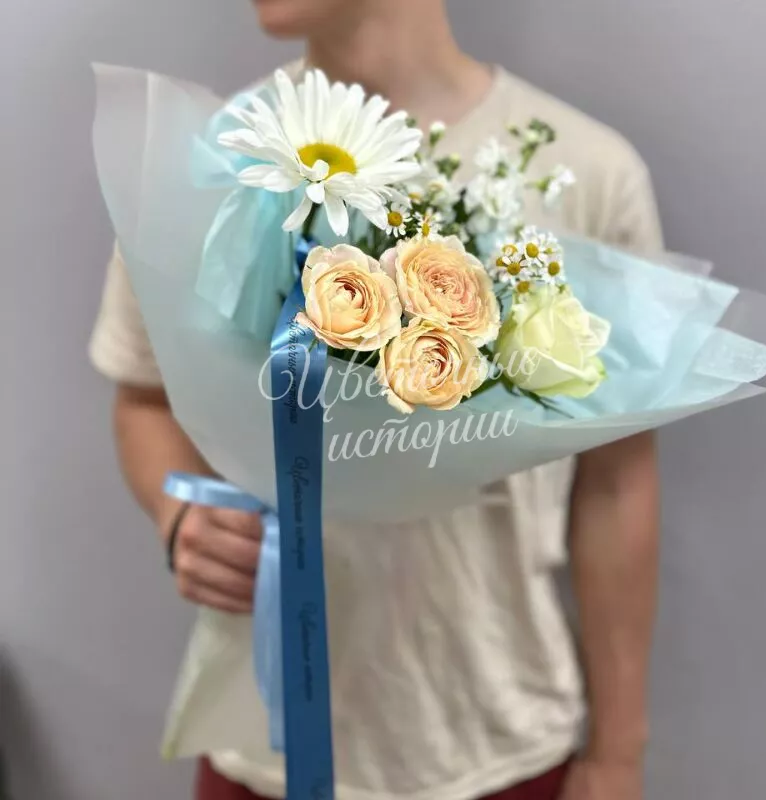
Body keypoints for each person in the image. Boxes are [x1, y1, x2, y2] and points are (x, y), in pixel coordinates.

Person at [89, 1, 662, 798]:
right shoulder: (213, 160)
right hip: (268, 739)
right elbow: (144, 398)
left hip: (501, 732)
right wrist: (180, 513)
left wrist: (618, 753)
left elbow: (616, 480)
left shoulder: (587, 171)